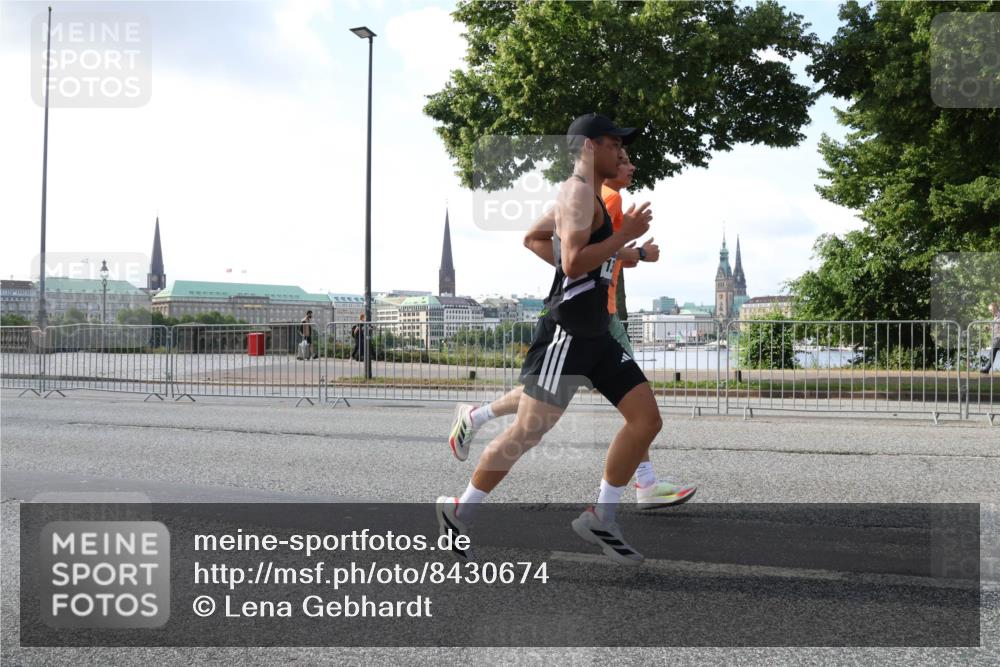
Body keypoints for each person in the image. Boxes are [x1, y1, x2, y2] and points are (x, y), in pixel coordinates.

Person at [436, 113, 665, 566]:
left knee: (646, 421)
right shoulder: (578, 192)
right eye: (614, 143)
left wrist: (621, 253)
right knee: (527, 432)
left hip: (597, 333)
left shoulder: (585, 193)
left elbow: (535, 239)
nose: (622, 152)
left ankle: (603, 513)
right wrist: (622, 237)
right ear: (588, 147)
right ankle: (459, 512)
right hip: (569, 333)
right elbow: (577, 260)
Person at [448, 148, 695, 510]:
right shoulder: (599, 198)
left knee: (639, 415)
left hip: (597, 322)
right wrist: (618, 250)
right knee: (533, 423)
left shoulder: (599, 195)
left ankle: (625, 498)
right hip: (582, 321)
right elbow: (576, 255)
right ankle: (464, 498)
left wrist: (630, 255)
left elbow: (587, 251)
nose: (630, 165)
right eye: (622, 158)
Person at [981, 301, 1000, 373]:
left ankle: (987, 369)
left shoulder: (999, 316)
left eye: (991, 309)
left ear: (995, 308)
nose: (991, 311)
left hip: (998, 337)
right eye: (990, 310)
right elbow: (996, 327)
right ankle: (987, 369)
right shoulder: (995, 317)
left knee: (992, 352)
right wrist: (989, 328)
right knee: (992, 352)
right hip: (996, 337)